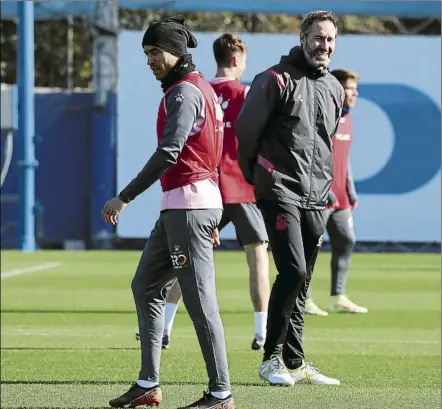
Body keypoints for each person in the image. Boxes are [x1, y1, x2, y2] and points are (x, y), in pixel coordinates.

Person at [102, 16, 235, 409]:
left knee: (200, 304)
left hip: (188, 208)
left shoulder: (183, 92)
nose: (150, 60)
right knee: (145, 285)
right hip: (186, 207)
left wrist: (124, 196)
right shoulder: (200, 89)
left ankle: (220, 393)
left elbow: (169, 152)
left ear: (177, 51)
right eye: (146, 52)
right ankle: (148, 383)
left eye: (155, 51)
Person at [236, 10, 344, 387]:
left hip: (317, 196)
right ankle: (271, 359)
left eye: (330, 40)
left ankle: (296, 363)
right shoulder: (274, 79)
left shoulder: (333, 87)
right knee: (293, 270)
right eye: (318, 38)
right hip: (279, 190)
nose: (324, 46)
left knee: (303, 280)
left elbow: (326, 142)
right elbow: (245, 134)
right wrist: (259, 177)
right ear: (302, 38)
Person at [147, 33, 271, 352]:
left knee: (186, 259)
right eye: (243, 61)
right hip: (241, 186)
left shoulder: (198, 89)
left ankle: (165, 328)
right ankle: (262, 332)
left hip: (206, 190)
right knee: (257, 254)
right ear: (235, 60)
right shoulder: (245, 93)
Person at [305, 69, 368, 316]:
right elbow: (312, 157)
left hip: (340, 198)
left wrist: (350, 189)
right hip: (320, 197)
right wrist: (322, 187)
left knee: (346, 240)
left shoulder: (348, 120)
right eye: (350, 89)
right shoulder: (322, 118)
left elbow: (344, 159)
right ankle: (305, 298)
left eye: (355, 88)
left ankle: (339, 295)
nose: (355, 93)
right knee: (311, 248)